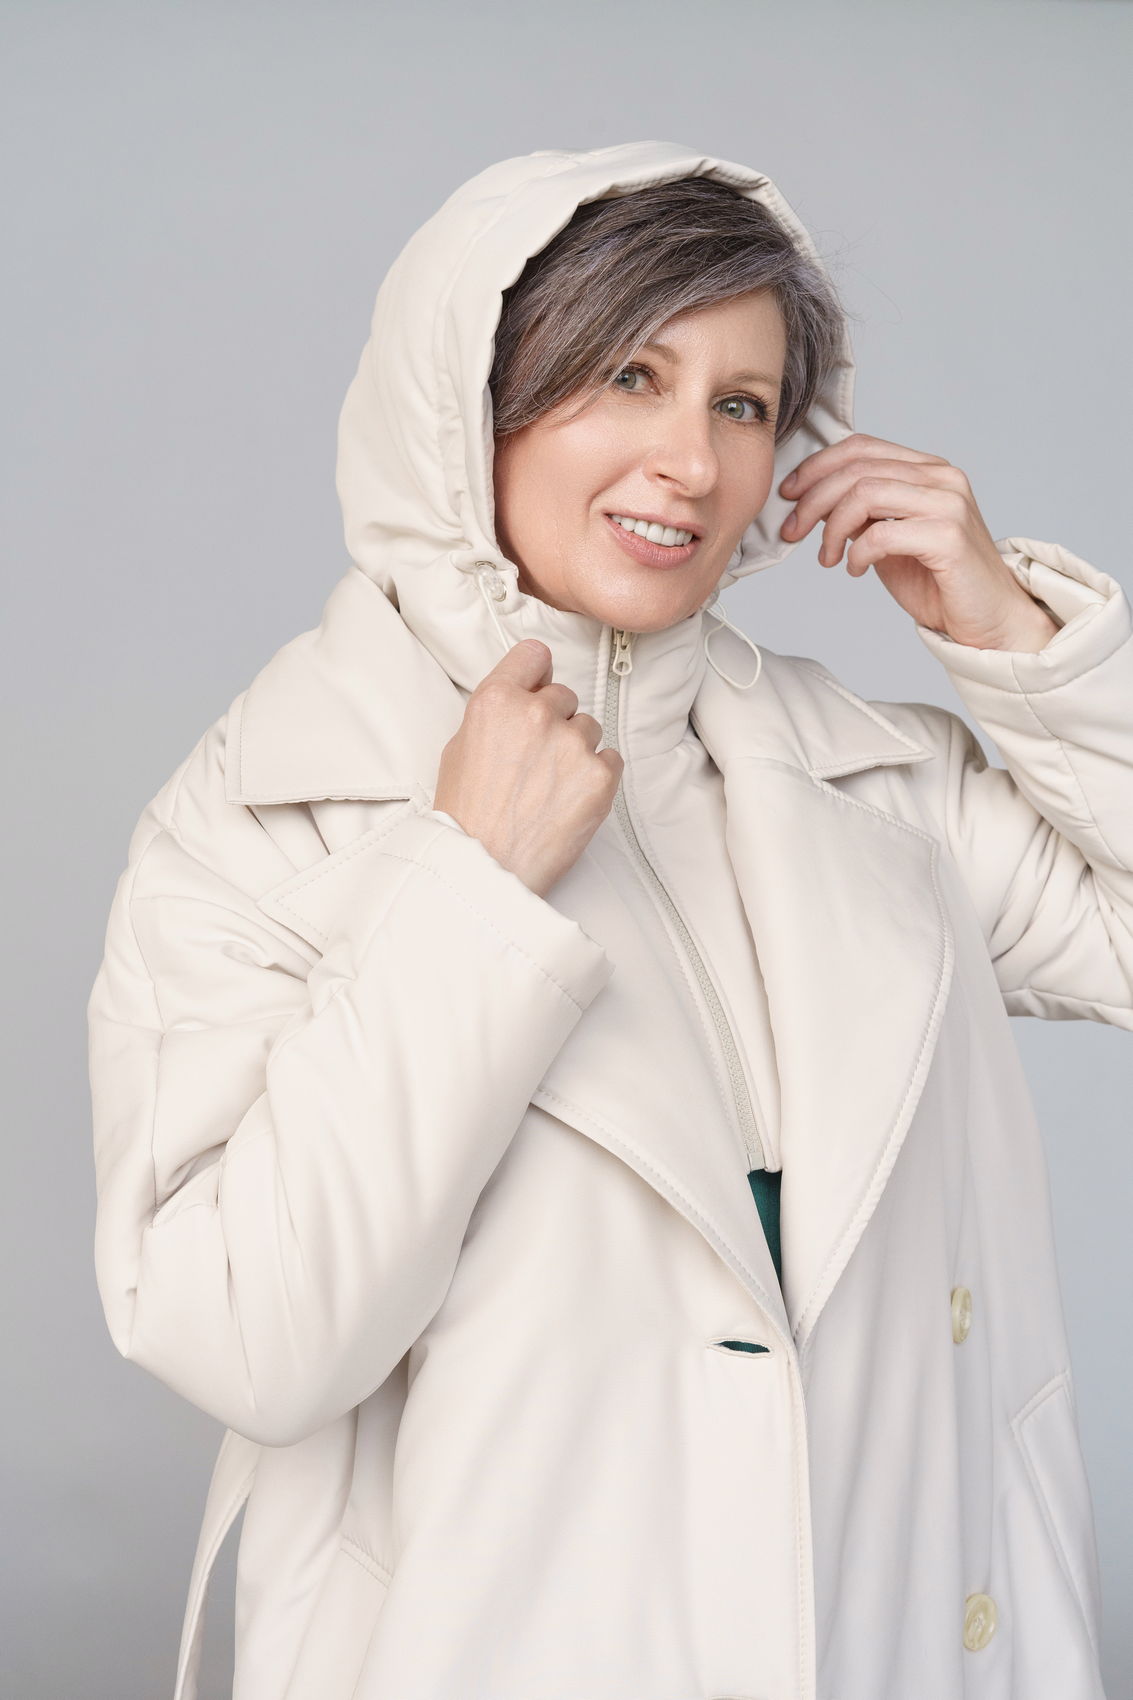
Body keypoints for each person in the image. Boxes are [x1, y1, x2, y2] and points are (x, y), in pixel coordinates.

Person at [86, 141, 1130, 1700]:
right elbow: (251, 1339)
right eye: (628, 375)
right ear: (470, 402)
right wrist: (464, 889)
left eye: (741, 403)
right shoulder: (273, 810)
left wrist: (1019, 642)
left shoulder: (871, 781)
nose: (691, 463)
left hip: (891, 1633)